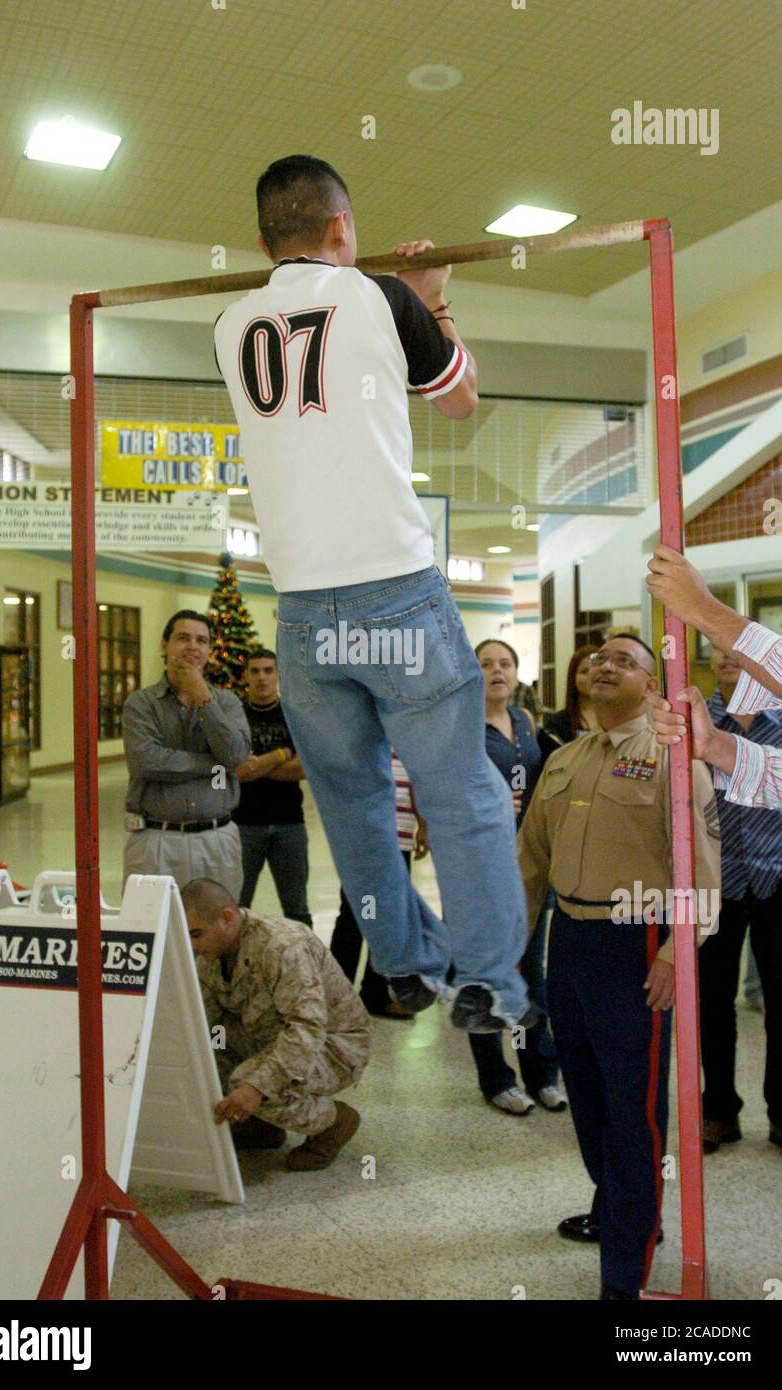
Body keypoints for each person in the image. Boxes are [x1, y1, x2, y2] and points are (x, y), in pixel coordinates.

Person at [213, 154, 532, 1033]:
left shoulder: (229, 324)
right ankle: (490, 984)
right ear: (342, 229)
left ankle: (402, 964)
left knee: (352, 804)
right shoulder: (380, 299)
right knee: (459, 793)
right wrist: (429, 294)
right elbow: (460, 401)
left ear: (261, 241)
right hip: (394, 595)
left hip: (304, 616)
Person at [517, 635, 722, 1300]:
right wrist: (511, 949)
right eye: (595, 658)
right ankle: (617, 1208)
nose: (603, 665)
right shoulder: (562, 760)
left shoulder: (671, 757)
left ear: (651, 685)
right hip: (568, 940)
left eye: (623, 660)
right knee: (585, 1091)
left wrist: (674, 951)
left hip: (635, 943)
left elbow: (702, 867)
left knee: (632, 1110)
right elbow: (529, 864)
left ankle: (624, 1273)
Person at [181, 877, 371, 1171]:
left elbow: (306, 1028)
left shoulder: (283, 947)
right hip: (270, 1034)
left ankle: (332, 1122)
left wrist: (256, 1088)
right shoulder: (211, 953)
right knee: (208, 1062)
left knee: (247, 1080)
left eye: (196, 934)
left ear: (227, 918)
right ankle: (262, 1126)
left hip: (334, 1045)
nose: (192, 946)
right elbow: (209, 1021)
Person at [697, 644, 782, 1161]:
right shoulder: (698, 720)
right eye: (719, 649)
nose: (728, 656)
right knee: (711, 1002)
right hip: (715, 882)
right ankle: (718, 1108)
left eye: (740, 649)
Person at [469, 640, 566, 1115]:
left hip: (528, 866)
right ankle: (495, 1078)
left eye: (504, 664)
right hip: (481, 868)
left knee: (531, 973)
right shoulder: (460, 726)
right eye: (486, 664)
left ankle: (541, 1072)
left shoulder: (527, 723)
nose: (496, 671)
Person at [646, 545, 782, 812]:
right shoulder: (704, 713)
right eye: (718, 647)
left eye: (733, 650)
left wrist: (702, 608)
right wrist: (715, 745)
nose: (728, 658)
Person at [121, 612, 250, 895]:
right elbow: (146, 762)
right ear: (164, 645)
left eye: (201, 640)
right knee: (152, 932)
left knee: (221, 933)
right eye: (183, 638)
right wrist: (212, 764)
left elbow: (235, 755)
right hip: (156, 840)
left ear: (209, 651)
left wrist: (203, 697)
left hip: (217, 840)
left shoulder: (227, 703)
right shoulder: (141, 704)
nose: (193, 646)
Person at [329, 750, 429, 1019]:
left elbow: (415, 779)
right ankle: (336, 996)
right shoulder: (361, 733)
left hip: (399, 841)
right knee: (356, 918)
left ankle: (374, 993)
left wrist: (423, 823)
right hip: (365, 842)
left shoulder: (406, 732)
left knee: (388, 920)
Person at [234, 649, 312, 926]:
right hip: (243, 825)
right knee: (235, 910)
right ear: (246, 676)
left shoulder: (294, 715)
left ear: (278, 675)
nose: (262, 677)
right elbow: (237, 772)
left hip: (290, 824)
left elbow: (303, 768)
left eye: (268, 670)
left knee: (297, 910)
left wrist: (257, 766)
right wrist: (281, 754)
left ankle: (306, 967)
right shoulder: (235, 715)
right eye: (255, 671)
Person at [542, 644, 600, 745]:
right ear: (573, 678)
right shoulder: (557, 723)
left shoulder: (620, 719)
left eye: (596, 670)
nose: (591, 676)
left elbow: (629, 756)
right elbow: (553, 759)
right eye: (584, 671)